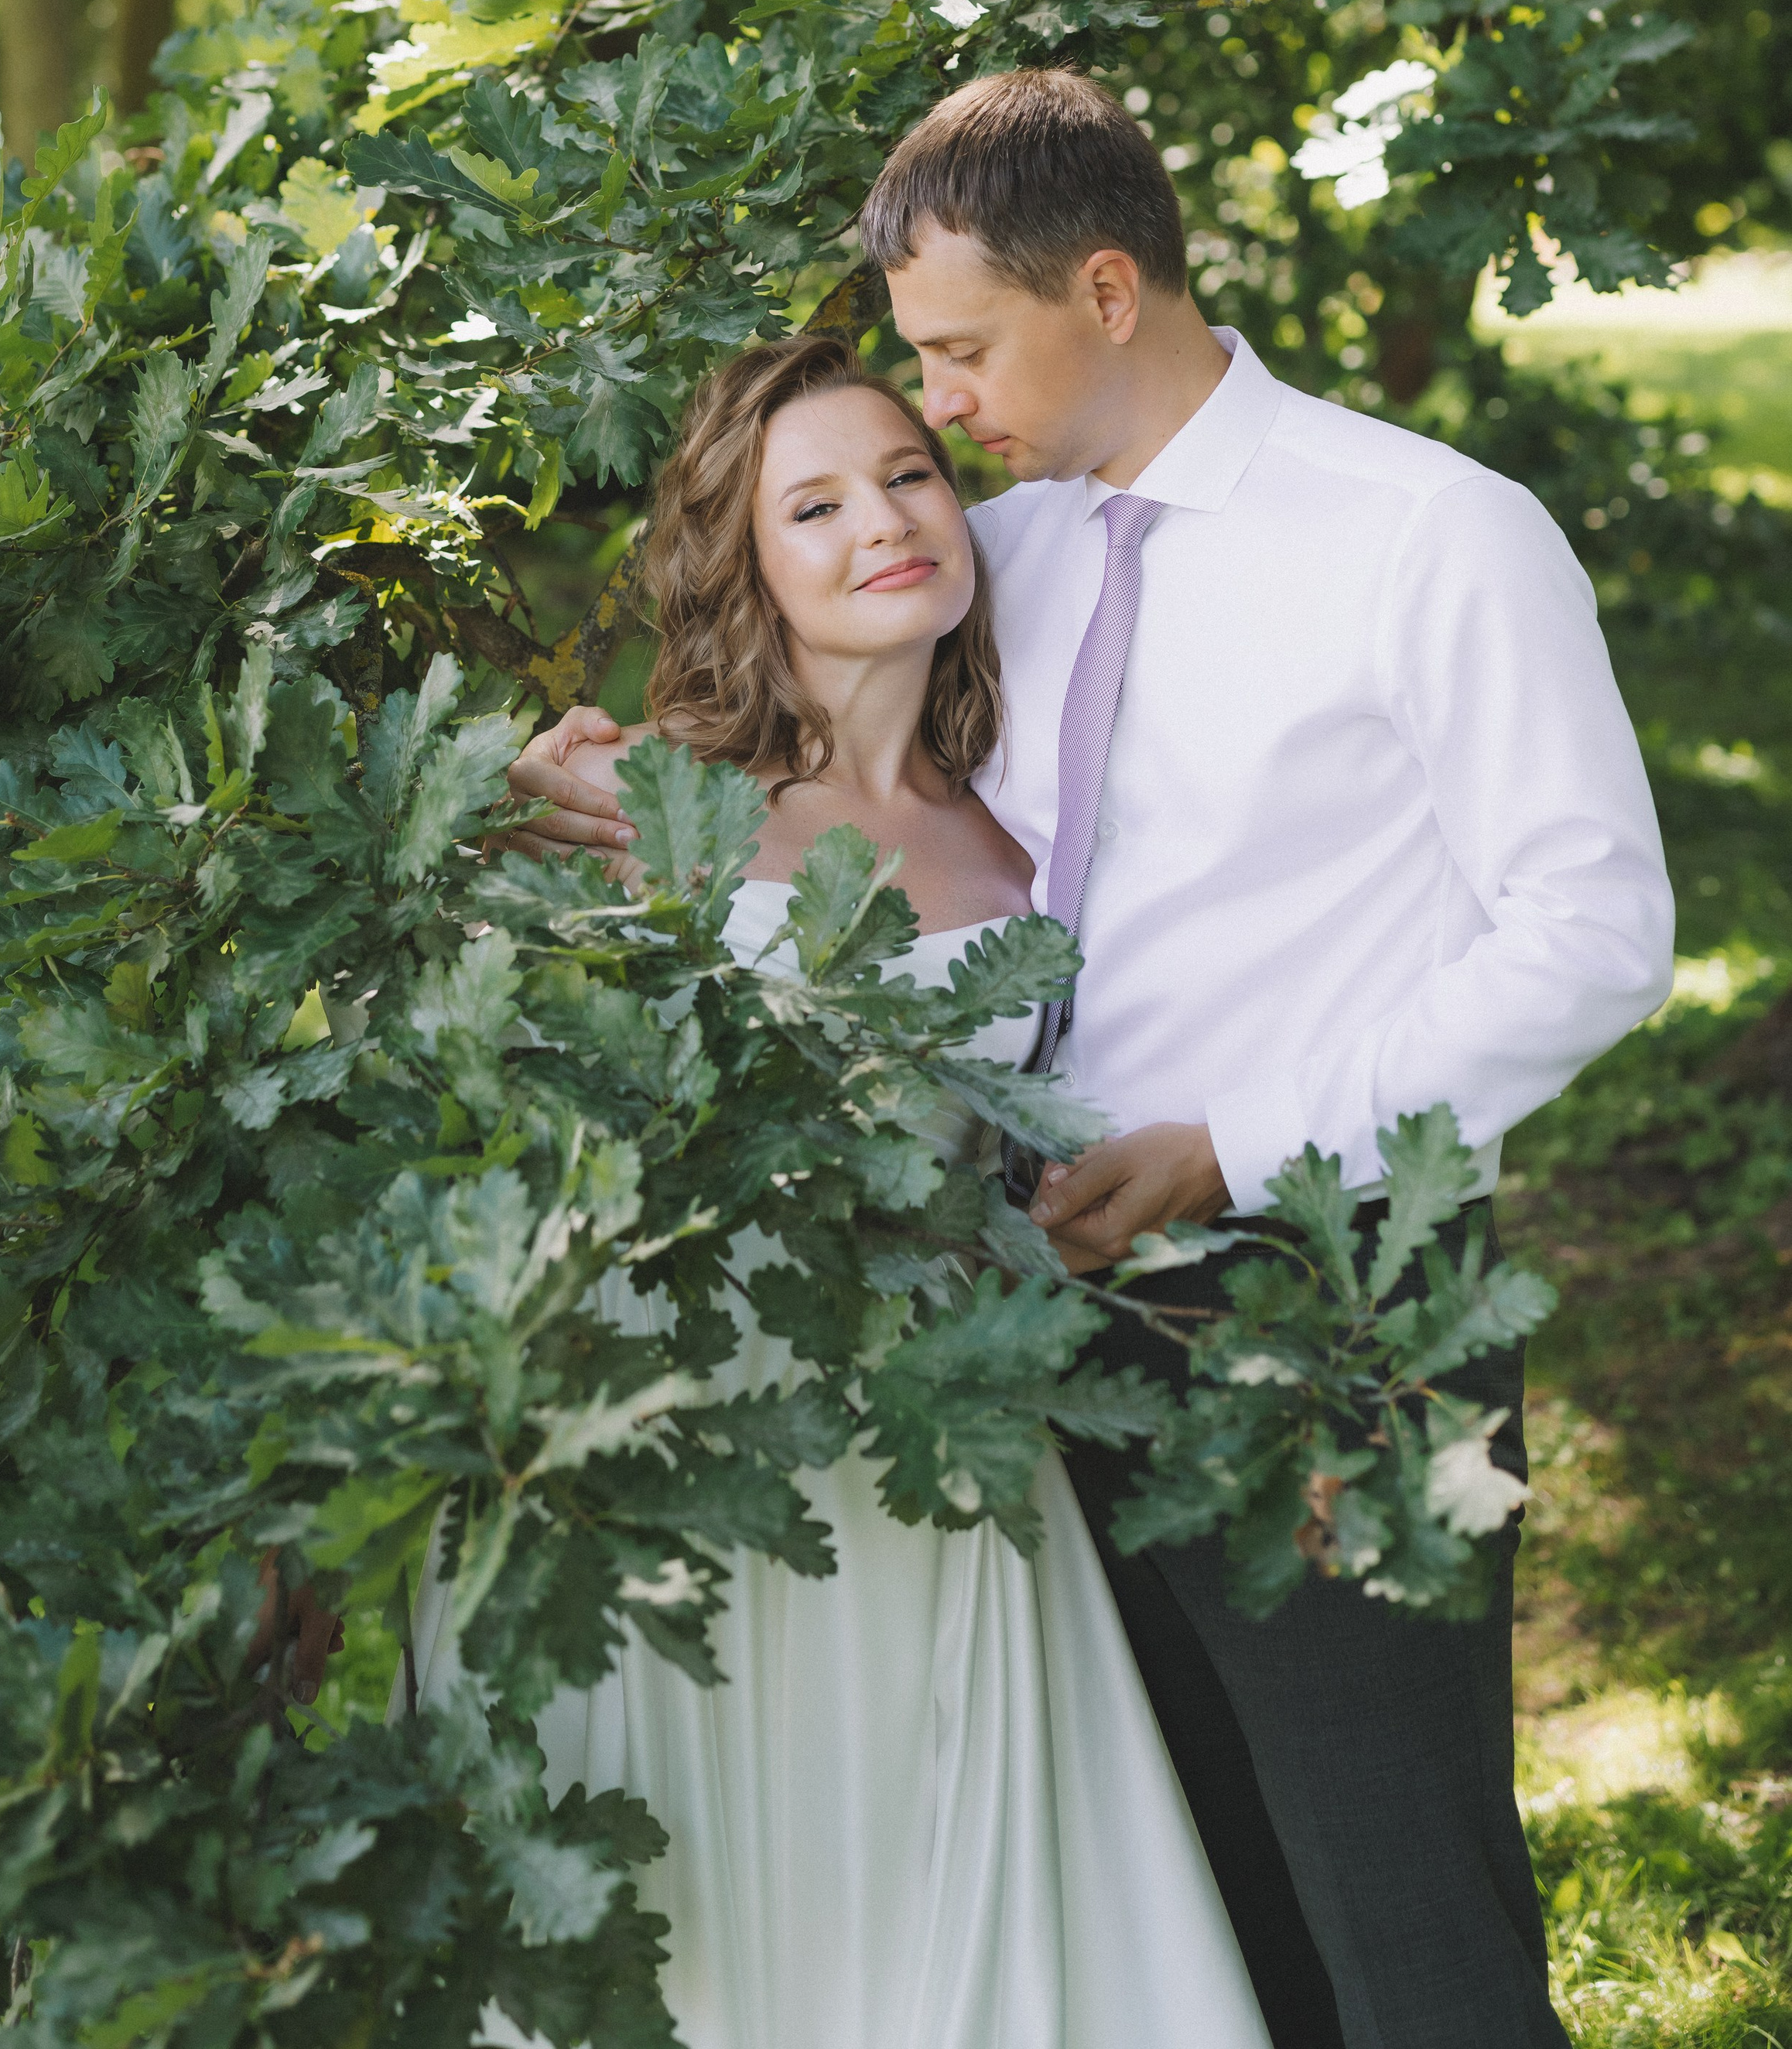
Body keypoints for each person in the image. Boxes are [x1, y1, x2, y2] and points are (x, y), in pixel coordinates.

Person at [510, 68, 1675, 2049]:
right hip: (1044, 1324)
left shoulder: (1427, 536)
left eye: (961, 347)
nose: (935, 406)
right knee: (1203, 1897)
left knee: (1397, 1890)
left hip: (1326, 1299)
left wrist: (1241, 1141)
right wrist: (590, 775)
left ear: (1108, 286)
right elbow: (822, 739)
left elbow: (1592, 933)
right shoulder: (1014, 552)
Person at [439, 330, 1272, 2049]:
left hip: (934, 1438)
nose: (880, 520)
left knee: (933, 1888)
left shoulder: (1026, 830)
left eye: (903, 473)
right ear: (743, 564)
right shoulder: (635, 806)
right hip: (671, 1431)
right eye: (808, 503)